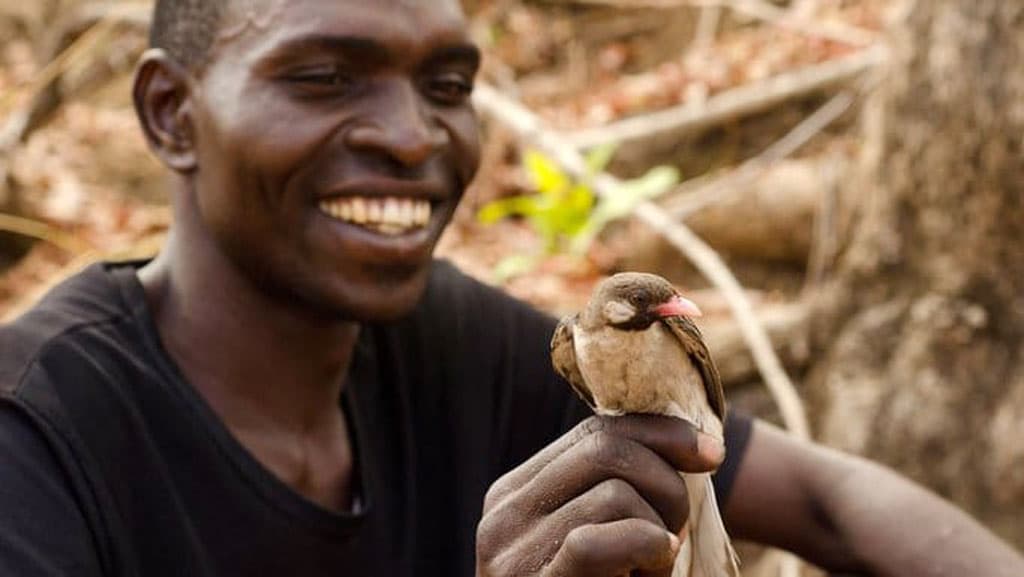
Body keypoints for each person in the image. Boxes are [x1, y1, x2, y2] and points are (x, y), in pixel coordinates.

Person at [0, 0, 1021, 575]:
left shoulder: (445, 339)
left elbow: (830, 497)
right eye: (322, 76)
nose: (412, 135)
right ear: (171, 113)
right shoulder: (32, 436)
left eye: (448, 86)